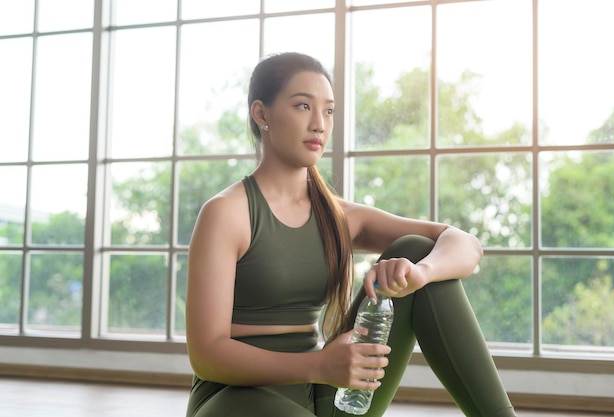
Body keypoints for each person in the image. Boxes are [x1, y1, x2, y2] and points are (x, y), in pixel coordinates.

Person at [185, 52, 516, 417]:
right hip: (237, 394)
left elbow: (465, 244)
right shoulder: (226, 213)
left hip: (330, 388)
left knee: (416, 250)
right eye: (302, 106)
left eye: (328, 111)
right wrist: (319, 366)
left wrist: (419, 274)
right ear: (262, 114)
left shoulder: (338, 216)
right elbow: (207, 354)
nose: (319, 125)